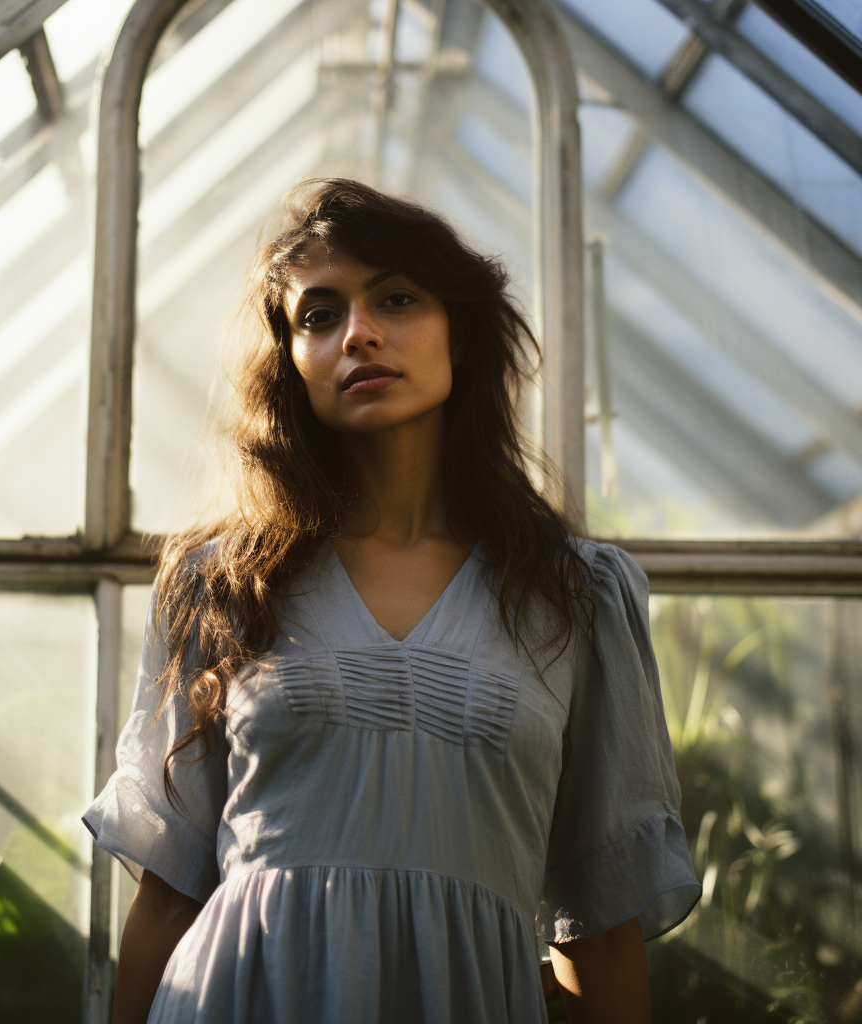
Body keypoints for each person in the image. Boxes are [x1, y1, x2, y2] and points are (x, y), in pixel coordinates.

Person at [83, 178, 701, 1024]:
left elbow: (601, 929)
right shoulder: (221, 583)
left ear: (462, 329)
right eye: (319, 315)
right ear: (292, 363)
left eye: (397, 298)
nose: (359, 334)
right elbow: (168, 894)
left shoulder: (575, 595)